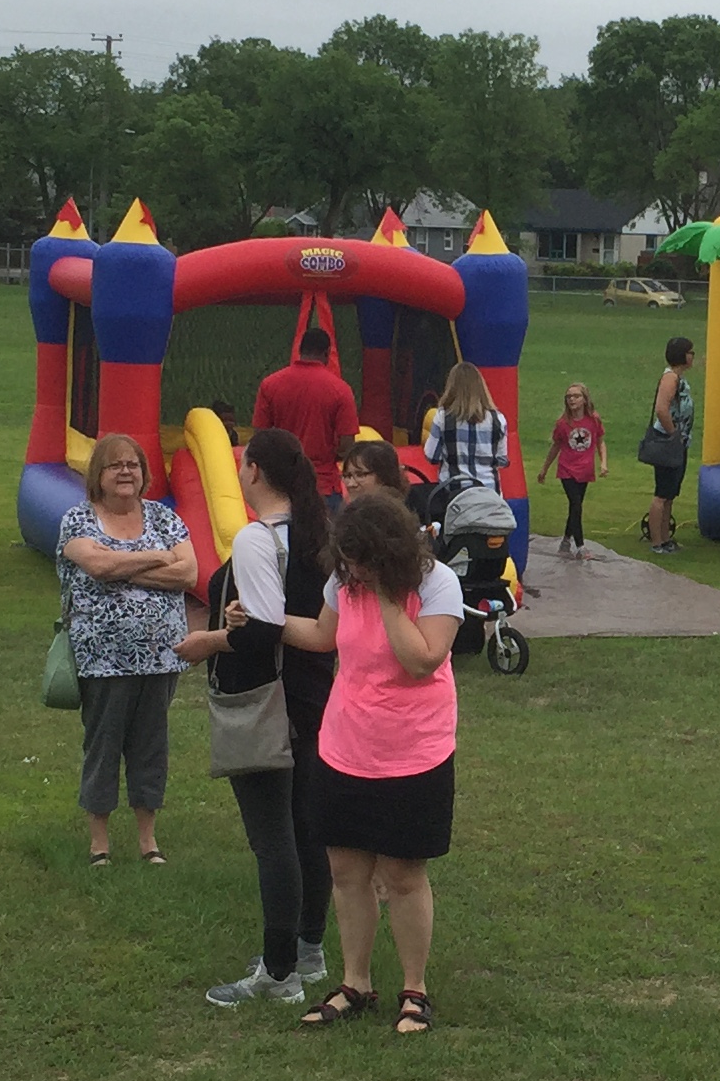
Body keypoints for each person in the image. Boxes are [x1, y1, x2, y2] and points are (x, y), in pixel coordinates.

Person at [281, 493, 460, 1035]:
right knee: (346, 870)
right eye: (346, 561)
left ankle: (415, 990)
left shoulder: (437, 585)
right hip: (344, 747)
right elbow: (322, 635)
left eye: (361, 561)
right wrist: (264, 621)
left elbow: (422, 659)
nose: (351, 571)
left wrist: (387, 596)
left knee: (403, 875)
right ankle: (355, 982)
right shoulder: (344, 580)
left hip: (415, 752)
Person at [179, 428, 338, 1007]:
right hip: (316, 701)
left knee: (274, 840)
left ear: (252, 472)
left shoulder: (255, 539)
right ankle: (308, 950)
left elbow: (264, 632)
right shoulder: (318, 533)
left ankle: (278, 972)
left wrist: (212, 640)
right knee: (305, 831)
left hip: (271, 705)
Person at [54, 432, 196, 861]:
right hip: (102, 658)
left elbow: (189, 574)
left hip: (161, 654)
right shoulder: (78, 520)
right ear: (98, 473)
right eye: (115, 464)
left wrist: (121, 567)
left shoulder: (165, 519)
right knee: (103, 743)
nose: (125, 471)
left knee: (150, 746)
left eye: (132, 464)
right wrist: (157, 557)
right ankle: (100, 842)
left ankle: (147, 840)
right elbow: (96, 564)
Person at [252, 326, 361, 495]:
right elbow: (347, 443)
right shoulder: (340, 389)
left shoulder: (270, 384)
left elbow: (260, 435)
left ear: (299, 350)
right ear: (327, 353)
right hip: (322, 483)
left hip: (283, 482)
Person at [639, 334, 695, 553]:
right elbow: (662, 409)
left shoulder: (678, 378)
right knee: (662, 493)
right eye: (690, 352)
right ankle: (656, 541)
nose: (692, 357)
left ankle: (665, 538)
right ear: (682, 355)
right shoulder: (670, 378)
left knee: (671, 492)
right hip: (668, 442)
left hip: (679, 443)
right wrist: (673, 434)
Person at [537, 381, 605, 559]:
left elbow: (600, 441)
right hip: (567, 469)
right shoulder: (563, 424)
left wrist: (603, 463)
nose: (572, 400)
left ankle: (566, 539)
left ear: (584, 399)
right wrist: (544, 469)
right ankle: (580, 546)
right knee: (576, 504)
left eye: (576, 396)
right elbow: (556, 447)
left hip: (585, 470)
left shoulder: (593, 420)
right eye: (569, 397)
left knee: (575, 507)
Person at [424, 361, 509, 495]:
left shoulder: (443, 417)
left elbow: (431, 456)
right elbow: (502, 460)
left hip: (454, 492)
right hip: (489, 492)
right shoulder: (498, 419)